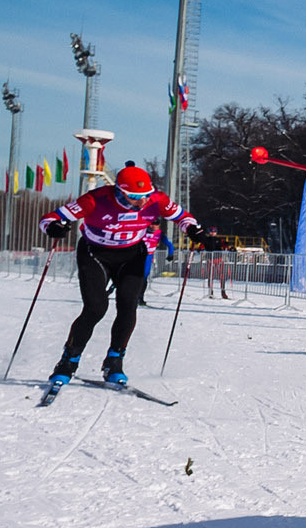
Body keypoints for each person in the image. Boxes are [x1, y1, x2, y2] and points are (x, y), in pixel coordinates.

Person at [39, 162, 197, 390]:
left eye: (146, 194)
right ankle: (68, 361)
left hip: (131, 255)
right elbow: (49, 218)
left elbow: (184, 218)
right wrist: (53, 228)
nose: (142, 201)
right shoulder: (95, 199)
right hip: (95, 254)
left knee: (128, 305)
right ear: (120, 191)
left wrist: (193, 230)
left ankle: (114, 361)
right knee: (95, 308)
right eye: (135, 196)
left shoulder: (156, 200)